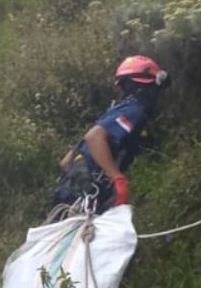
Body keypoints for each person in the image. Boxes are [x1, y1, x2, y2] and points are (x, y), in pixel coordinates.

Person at [49, 55, 169, 218]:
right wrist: (116, 178)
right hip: (86, 192)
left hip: (69, 189)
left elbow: (65, 161)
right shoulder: (134, 111)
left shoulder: (114, 113)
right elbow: (94, 137)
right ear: (148, 86)